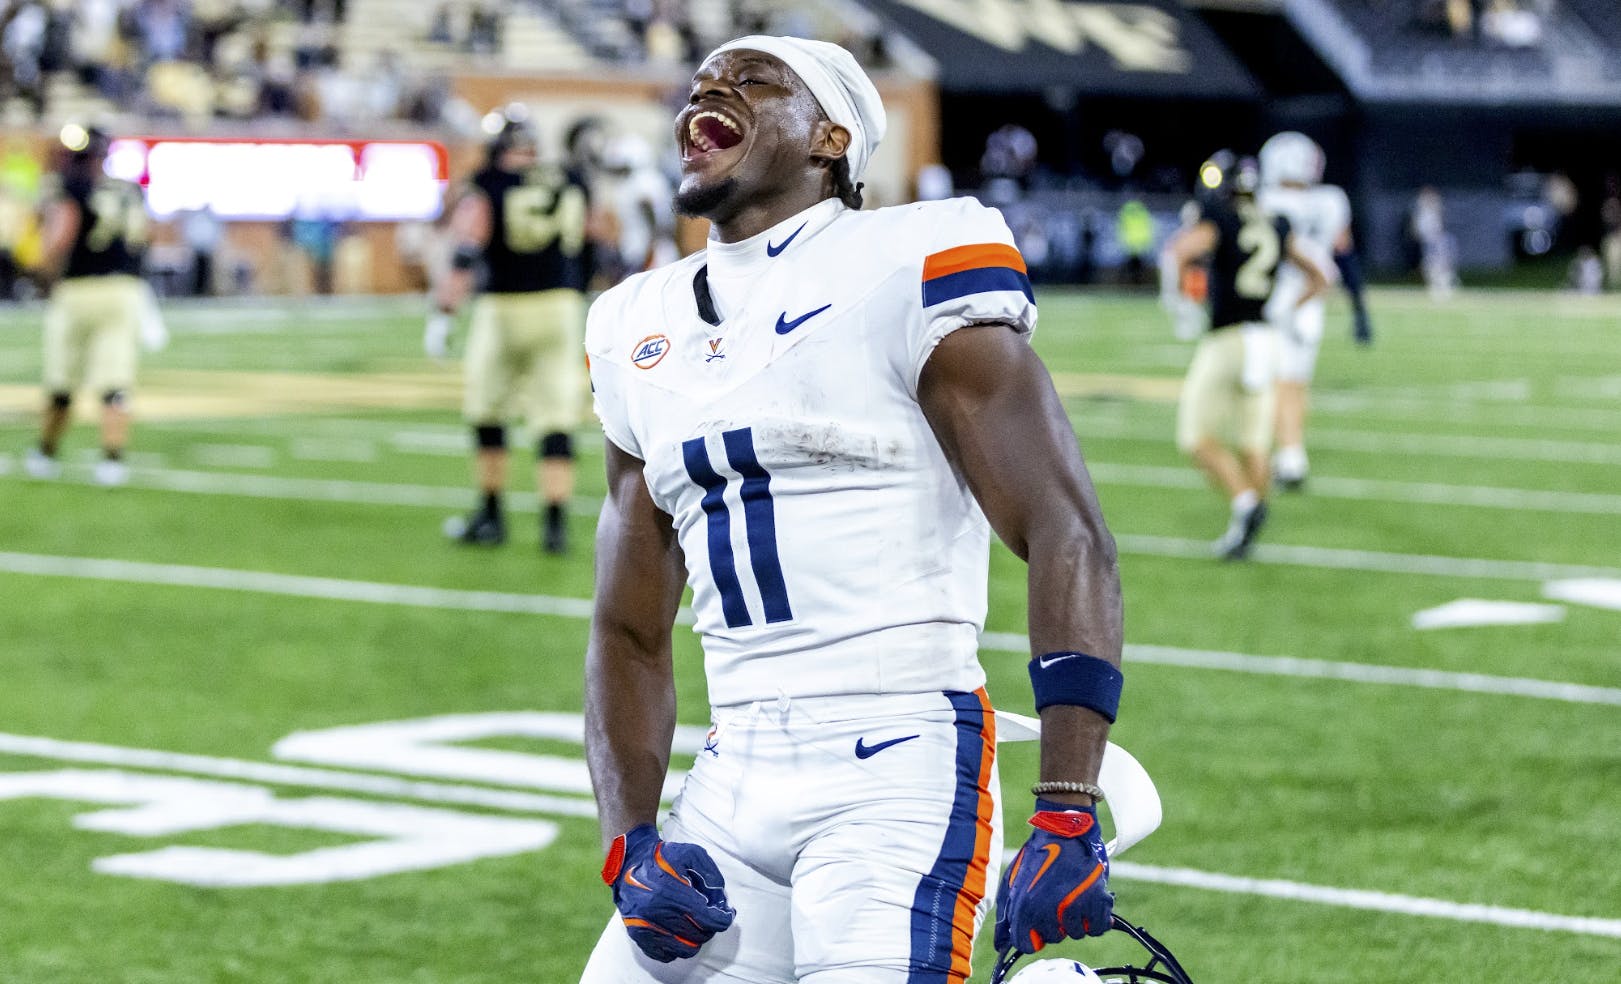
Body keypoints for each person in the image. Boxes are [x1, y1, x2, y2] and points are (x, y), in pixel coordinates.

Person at [581, 36, 1124, 983]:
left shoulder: (909, 256)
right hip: (730, 773)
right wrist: (628, 838)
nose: (709, 94)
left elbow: (1062, 527)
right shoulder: (634, 321)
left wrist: (1068, 803)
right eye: (703, 84)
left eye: (752, 82)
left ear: (832, 137)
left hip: (898, 762)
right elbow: (628, 624)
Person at [427, 111, 591, 554]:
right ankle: (555, 525)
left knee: (487, 410)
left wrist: (444, 311)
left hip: (504, 307)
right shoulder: (571, 179)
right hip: (561, 306)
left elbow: (466, 247)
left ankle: (491, 515)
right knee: (556, 417)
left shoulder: (490, 183)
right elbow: (593, 238)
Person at [1162, 151, 1327, 560]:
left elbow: (1177, 254)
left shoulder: (1219, 216)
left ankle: (1246, 505)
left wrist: (1182, 305)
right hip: (1266, 339)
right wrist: (1287, 309)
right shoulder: (1275, 220)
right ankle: (1247, 527)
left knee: (1195, 437)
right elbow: (1320, 274)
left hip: (1228, 339)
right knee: (1254, 445)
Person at [24, 124, 165, 487]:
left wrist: (37, 267)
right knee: (115, 380)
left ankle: (46, 451)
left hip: (80, 290)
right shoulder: (130, 190)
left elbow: (60, 235)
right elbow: (146, 237)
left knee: (61, 379)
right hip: (126, 290)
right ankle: (112, 460)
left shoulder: (72, 188)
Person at [1256, 131, 1371, 491]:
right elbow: (1344, 254)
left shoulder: (1267, 201)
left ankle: (1286, 456)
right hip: (1313, 304)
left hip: (1281, 298)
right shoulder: (1331, 201)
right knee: (1296, 384)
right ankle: (1291, 453)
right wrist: (1359, 308)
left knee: (1277, 385)